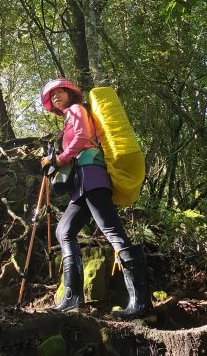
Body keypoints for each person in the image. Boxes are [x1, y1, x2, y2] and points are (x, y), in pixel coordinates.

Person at [40, 77, 151, 318]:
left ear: (71, 94)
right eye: (52, 96)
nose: (56, 97)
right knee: (63, 231)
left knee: (111, 230)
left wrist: (58, 159)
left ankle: (141, 303)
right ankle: (72, 299)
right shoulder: (69, 117)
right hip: (81, 182)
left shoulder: (77, 110)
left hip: (92, 175)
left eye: (60, 92)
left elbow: (81, 138)